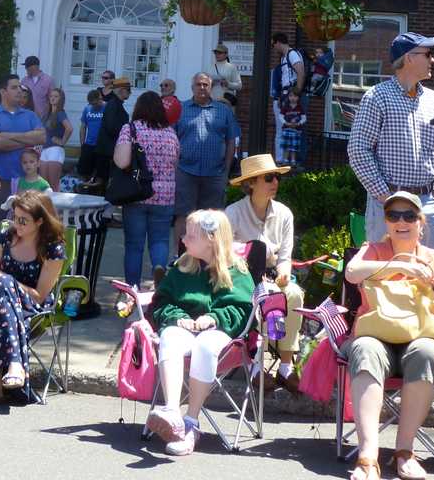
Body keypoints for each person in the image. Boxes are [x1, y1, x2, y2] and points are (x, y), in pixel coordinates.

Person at [343, 191, 434, 480]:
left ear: (421, 222)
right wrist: (399, 265)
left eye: (409, 216)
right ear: (386, 221)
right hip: (377, 335)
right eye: (393, 215)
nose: (401, 221)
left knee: (429, 351)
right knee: (364, 347)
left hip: (419, 338)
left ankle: (404, 452)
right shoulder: (374, 249)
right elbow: (352, 273)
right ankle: (368, 455)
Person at [147, 209, 254, 456]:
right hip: (186, 327)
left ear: (211, 239)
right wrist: (178, 318)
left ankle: (190, 423)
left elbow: (242, 311)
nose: (183, 238)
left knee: (205, 344)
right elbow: (160, 303)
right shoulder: (182, 267)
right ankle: (172, 412)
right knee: (170, 336)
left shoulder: (237, 272)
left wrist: (213, 318)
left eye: (191, 235)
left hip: (222, 334)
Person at [348, 33, 434, 252]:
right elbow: (358, 150)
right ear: (409, 58)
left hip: (428, 202)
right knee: (384, 275)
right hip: (388, 204)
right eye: (428, 54)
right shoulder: (377, 97)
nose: (433, 59)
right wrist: (387, 198)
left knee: (427, 275)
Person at [0, 191, 66, 405]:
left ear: (40, 221)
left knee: (3, 287)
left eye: (23, 221)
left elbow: (39, 297)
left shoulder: (52, 249)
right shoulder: (7, 238)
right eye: (15, 217)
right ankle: (14, 365)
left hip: (32, 307)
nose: (16, 224)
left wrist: (4, 278)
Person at [225, 153, 304, 392]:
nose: (275, 183)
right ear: (251, 183)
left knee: (294, 294)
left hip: (272, 276)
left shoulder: (284, 213)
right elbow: (224, 256)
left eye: (276, 178)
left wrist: (283, 273)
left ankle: (285, 367)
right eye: (269, 178)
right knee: (261, 298)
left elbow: (285, 257)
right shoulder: (233, 213)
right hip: (241, 278)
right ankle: (256, 365)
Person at [113, 91, 179, 299]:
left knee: (134, 244)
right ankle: (158, 273)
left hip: (137, 194)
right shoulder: (170, 133)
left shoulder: (130, 129)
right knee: (159, 240)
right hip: (165, 195)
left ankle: (132, 292)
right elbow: (175, 163)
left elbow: (122, 162)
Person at [0, 74, 44, 256]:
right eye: (15, 87)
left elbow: (41, 137)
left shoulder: (31, 115)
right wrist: (26, 139)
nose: (20, 91)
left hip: (27, 183)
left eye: (21, 88)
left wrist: (5, 136)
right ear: (3, 91)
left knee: (26, 229)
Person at [173, 73, 237, 249]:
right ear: (192, 87)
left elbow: (231, 140)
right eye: (199, 84)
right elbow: (172, 138)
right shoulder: (181, 109)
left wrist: (226, 169)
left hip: (215, 173)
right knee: (183, 215)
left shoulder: (223, 111)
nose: (202, 88)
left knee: (213, 218)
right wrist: (174, 168)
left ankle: (210, 256)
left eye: (205, 85)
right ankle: (179, 257)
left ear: (211, 88)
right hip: (185, 171)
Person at [271, 33, 306, 163]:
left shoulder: (292, 54)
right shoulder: (285, 57)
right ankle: (282, 160)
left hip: (291, 94)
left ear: (279, 42)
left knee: (291, 129)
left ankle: (285, 161)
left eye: (273, 44)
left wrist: (296, 92)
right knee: (283, 129)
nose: (273, 47)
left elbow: (301, 72)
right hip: (286, 94)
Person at [94, 77, 131, 187]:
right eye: (128, 89)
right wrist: (126, 131)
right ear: (121, 90)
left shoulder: (116, 104)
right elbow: (111, 127)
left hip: (109, 151)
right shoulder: (113, 105)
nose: (130, 92)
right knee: (104, 185)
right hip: (107, 152)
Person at [40, 88, 72, 191]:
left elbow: (69, 128)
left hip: (55, 150)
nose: (52, 98)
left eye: (56, 96)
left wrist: (62, 141)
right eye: (51, 96)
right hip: (44, 150)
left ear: (61, 99)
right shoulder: (48, 114)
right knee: (44, 185)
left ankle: (55, 207)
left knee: (53, 185)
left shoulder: (60, 113)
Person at [77, 89, 105, 180]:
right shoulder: (87, 109)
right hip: (89, 144)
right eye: (92, 104)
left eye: (96, 103)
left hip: (102, 145)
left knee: (101, 173)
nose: (94, 105)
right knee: (84, 171)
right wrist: (82, 144)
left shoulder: (108, 107)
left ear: (100, 98)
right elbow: (83, 126)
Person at [209, 43, 242, 108]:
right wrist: (210, 83)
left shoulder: (231, 67)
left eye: (220, 53)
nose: (217, 55)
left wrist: (228, 84)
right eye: (216, 53)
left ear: (226, 54)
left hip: (226, 101)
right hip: (212, 101)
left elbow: (239, 86)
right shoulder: (210, 67)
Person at [280, 89, 306, 168]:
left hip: (296, 130)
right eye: (290, 96)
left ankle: (293, 160)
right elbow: (280, 116)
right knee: (286, 146)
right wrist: (285, 123)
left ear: (298, 97)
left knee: (294, 147)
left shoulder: (300, 108)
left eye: (295, 96)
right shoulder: (285, 107)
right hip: (286, 130)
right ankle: (285, 160)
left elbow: (304, 118)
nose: (293, 98)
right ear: (288, 97)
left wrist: (299, 123)